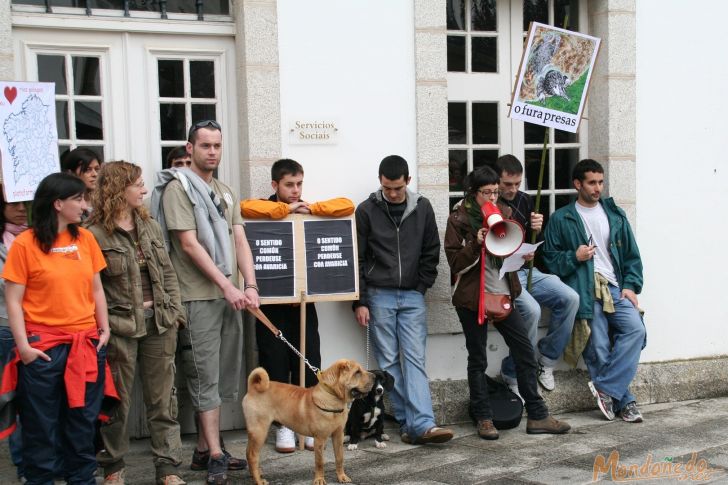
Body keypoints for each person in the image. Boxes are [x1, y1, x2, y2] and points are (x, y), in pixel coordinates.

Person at [153, 119, 260, 484]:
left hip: (230, 296)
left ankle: (203, 449)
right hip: (197, 297)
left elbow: (240, 240)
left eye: (217, 146)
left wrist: (250, 285)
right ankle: (215, 452)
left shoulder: (226, 191)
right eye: (205, 146)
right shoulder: (177, 190)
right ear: (190, 148)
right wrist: (225, 285)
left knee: (223, 373)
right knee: (202, 375)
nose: (212, 152)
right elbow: (188, 244)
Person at [1, 173, 114, 485]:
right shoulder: (25, 244)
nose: (84, 205)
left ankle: (82, 480)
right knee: (41, 427)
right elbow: (13, 300)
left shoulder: (86, 239)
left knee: (83, 424)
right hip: (43, 349)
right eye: (78, 199)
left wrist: (103, 330)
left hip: (86, 345)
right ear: (57, 203)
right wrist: (23, 347)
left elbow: (96, 290)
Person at [444, 166, 571, 440]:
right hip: (472, 298)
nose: (492, 197)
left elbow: (508, 250)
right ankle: (484, 418)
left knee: (524, 352)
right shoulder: (458, 219)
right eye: (486, 192)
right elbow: (454, 263)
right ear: (472, 192)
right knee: (477, 358)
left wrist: (522, 255)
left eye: (495, 191)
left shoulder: (506, 213)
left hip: (503, 294)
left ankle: (537, 415)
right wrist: (473, 244)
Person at [240, 158, 354, 453]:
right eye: (289, 185)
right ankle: (282, 427)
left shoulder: (308, 209)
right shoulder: (264, 210)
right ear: (275, 185)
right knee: (275, 363)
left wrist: (310, 208)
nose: (295, 190)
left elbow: (346, 205)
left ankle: (309, 424)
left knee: (308, 360)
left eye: (299, 184)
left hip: (303, 304)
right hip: (272, 305)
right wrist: (286, 210)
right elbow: (244, 208)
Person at [86, 162, 186, 485]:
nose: (144, 190)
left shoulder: (150, 225)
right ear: (119, 189)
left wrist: (175, 314)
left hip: (159, 323)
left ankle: (168, 469)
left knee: (163, 400)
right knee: (117, 404)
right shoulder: (94, 234)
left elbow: (168, 272)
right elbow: (90, 288)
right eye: (138, 185)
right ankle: (113, 467)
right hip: (119, 329)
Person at [353, 155, 453, 445]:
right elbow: (358, 258)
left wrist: (420, 286)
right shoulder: (367, 210)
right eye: (386, 188)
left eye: (397, 187)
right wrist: (359, 300)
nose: (392, 193)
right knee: (387, 364)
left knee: (415, 360)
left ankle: (421, 423)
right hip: (378, 294)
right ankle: (412, 424)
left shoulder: (422, 207)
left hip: (412, 295)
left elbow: (431, 249)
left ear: (407, 181)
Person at [543, 159, 645, 423]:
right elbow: (549, 260)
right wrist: (574, 257)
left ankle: (606, 389)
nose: (598, 187)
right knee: (597, 343)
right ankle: (626, 402)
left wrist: (631, 286)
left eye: (600, 182)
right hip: (585, 290)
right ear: (578, 184)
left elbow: (632, 256)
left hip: (615, 288)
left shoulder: (615, 215)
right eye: (592, 182)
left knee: (636, 330)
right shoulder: (561, 218)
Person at [494, 155, 579, 393]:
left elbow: (536, 244)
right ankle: (513, 371)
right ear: (497, 180)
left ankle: (546, 359)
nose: (512, 189)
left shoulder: (525, 200)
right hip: (503, 277)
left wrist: (537, 232)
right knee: (532, 311)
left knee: (570, 298)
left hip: (526, 270)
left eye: (517, 184)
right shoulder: (489, 202)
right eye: (507, 184)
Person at [0, 186, 27, 480]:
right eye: (13, 204)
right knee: (15, 399)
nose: (21, 209)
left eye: (24, 203)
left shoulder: (33, 236)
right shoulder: (6, 241)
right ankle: (23, 464)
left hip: (39, 326)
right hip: (7, 326)